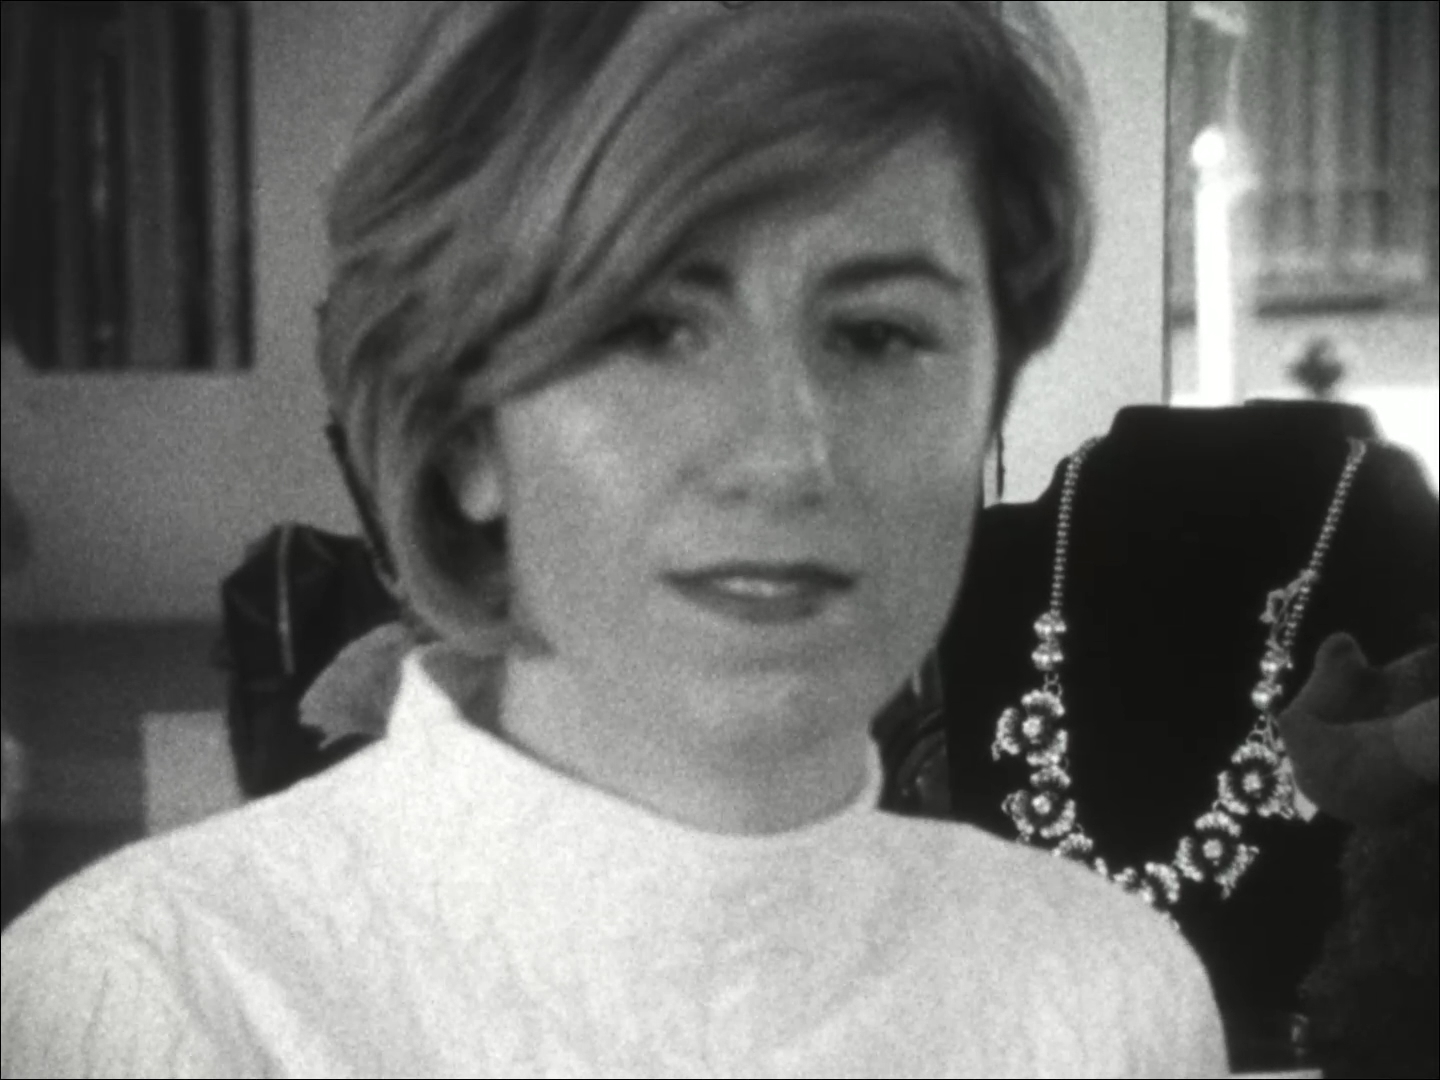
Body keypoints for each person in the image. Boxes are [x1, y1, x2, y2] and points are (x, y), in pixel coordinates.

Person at [1, 3, 1228, 1076]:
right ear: (465, 429)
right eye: (649, 331)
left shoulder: (1108, 1001)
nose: (784, 454)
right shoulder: (155, 1001)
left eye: (880, 335)